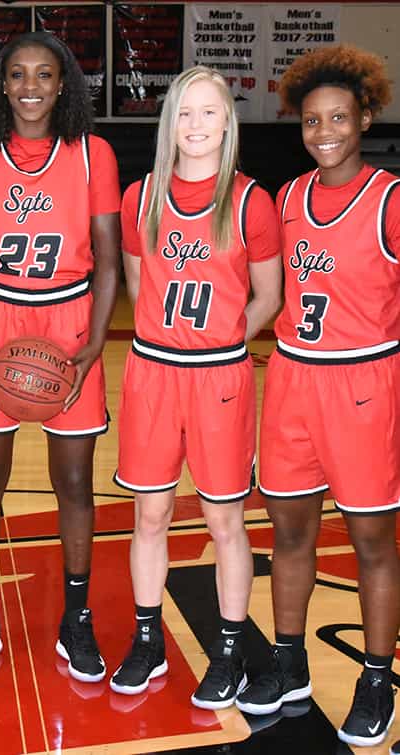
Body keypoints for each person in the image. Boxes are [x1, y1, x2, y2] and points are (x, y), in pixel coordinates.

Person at [235, 45, 400, 748]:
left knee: (372, 544)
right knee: (290, 533)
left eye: (338, 117)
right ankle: (288, 661)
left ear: (365, 116)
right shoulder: (288, 197)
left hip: (366, 383)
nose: (324, 131)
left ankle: (373, 675)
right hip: (295, 380)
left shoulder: (391, 198)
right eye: (311, 120)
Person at [0, 31, 121, 681]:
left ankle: (76, 619)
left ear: (63, 84)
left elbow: (107, 260)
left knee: (73, 482)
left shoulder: (90, 154)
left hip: (68, 322)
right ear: (0, 85)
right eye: (16, 75)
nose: (29, 87)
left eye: (44, 75)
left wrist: (94, 343)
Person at [109, 66, 281, 709]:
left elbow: (269, 295)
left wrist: (226, 338)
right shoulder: (142, 196)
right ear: (169, 122)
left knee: (223, 520)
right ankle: (148, 639)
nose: (197, 125)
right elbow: (136, 282)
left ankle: (231, 650)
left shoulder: (250, 200)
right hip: (154, 372)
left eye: (210, 113)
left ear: (229, 123)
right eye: (185, 113)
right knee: (149, 514)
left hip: (219, 378)